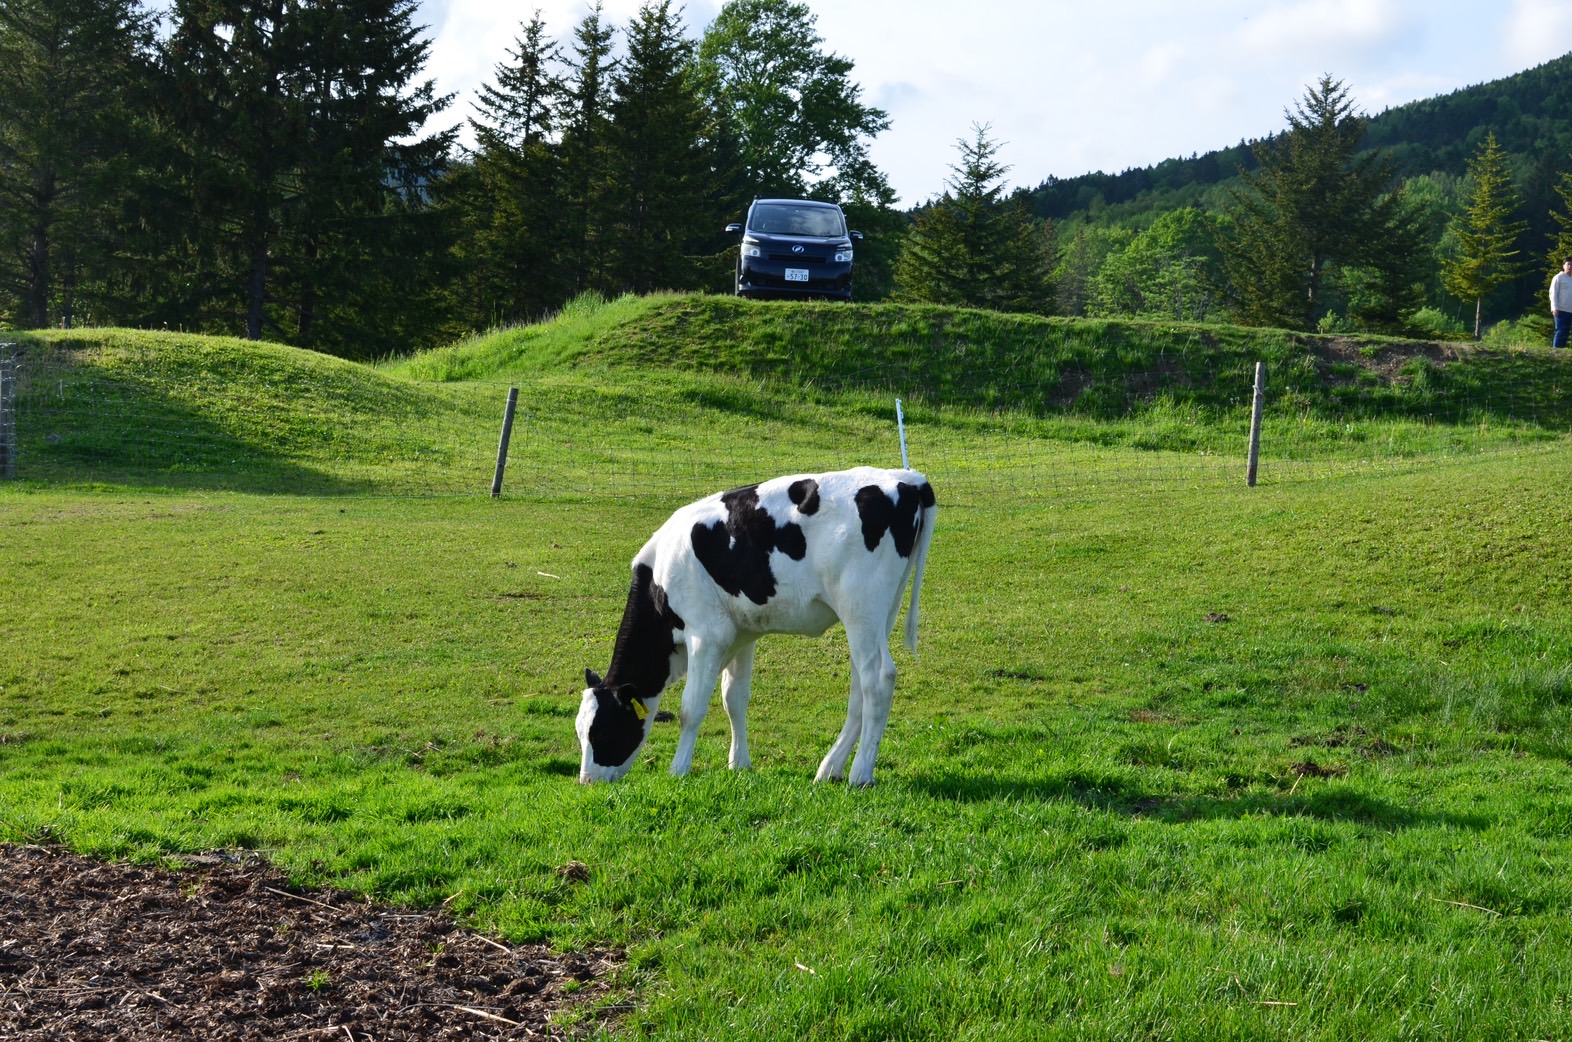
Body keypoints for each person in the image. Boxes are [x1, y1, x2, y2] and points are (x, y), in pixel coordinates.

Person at [1552, 258, 1572, 348]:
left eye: (1571, 265)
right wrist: (1554, 307)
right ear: (1564, 266)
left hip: (1570, 310)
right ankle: (1556, 351)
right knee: (1560, 331)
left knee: (1566, 332)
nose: (1570, 266)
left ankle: (1561, 351)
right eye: (1568, 264)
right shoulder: (1558, 277)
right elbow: (1553, 293)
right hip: (1560, 309)